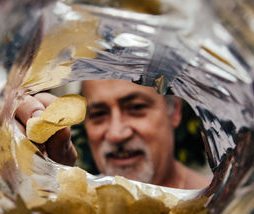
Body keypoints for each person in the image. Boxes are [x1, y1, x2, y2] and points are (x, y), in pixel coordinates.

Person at [15, 79, 210, 189]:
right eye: (98, 114)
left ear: (174, 112)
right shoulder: (73, 205)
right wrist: (41, 181)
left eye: (136, 108)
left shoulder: (221, 210)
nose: (116, 134)